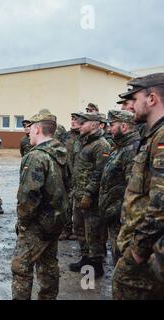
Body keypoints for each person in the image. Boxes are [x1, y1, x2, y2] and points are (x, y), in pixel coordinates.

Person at [113, 73, 164, 299]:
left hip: (148, 250)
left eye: (133, 99)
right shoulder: (151, 135)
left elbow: (161, 203)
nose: (129, 106)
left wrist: (138, 250)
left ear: (152, 99)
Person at [12, 112, 68, 300]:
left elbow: (28, 196)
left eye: (30, 129)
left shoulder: (36, 156)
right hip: (55, 220)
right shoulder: (61, 152)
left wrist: (22, 223)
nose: (28, 133)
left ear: (37, 129)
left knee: (21, 268)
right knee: (48, 265)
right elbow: (69, 185)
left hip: (37, 223)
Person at [68, 112, 111, 278]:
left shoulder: (102, 145)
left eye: (83, 122)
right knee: (79, 228)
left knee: (93, 231)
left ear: (94, 124)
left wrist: (89, 193)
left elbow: (101, 172)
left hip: (91, 198)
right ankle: (85, 258)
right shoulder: (83, 142)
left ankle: (96, 264)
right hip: (78, 194)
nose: (79, 125)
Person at [98, 110, 140, 266]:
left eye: (112, 125)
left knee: (123, 262)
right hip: (113, 215)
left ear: (123, 126)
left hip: (120, 217)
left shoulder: (132, 149)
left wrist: (117, 211)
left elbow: (133, 188)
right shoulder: (120, 147)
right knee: (117, 259)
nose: (109, 129)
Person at [59, 112, 82, 241]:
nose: (73, 122)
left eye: (76, 119)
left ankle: (77, 231)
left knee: (77, 206)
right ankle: (66, 229)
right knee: (65, 204)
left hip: (79, 177)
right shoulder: (65, 136)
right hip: (66, 175)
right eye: (72, 119)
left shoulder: (84, 137)